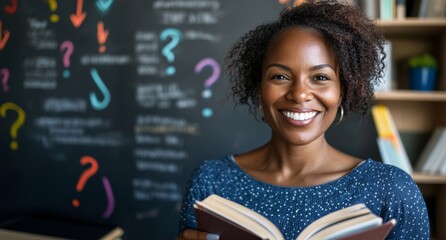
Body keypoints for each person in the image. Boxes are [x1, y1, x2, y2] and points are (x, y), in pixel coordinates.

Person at [176, 0, 430, 239]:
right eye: (280, 77)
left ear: (343, 90)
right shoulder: (211, 182)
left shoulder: (392, 189)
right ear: (259, 87)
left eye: (320, 77)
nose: (299, 94)